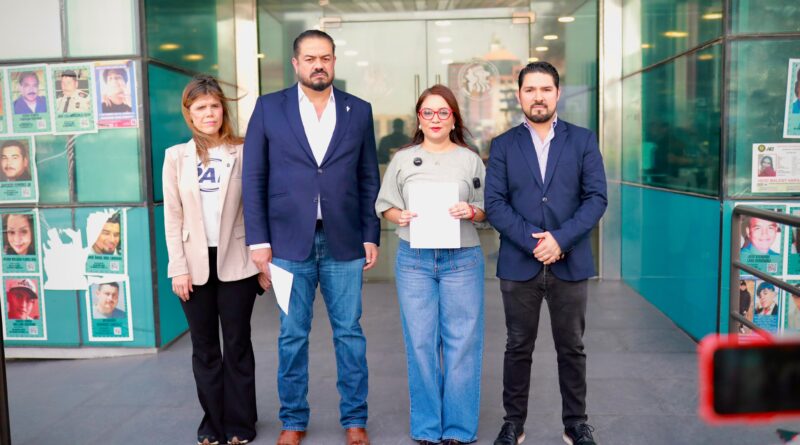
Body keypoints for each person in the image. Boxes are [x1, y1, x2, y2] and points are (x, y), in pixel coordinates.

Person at [242, 29, 380, 445]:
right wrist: (258, 241)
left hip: (345, 240)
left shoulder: (359, 110)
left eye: (325, 58)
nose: (319, 65)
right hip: (287, 243)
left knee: (349, 334)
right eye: (310, 58)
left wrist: (371, 234)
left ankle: (355, 418)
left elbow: (368, 176)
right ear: (296, 63)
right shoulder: (269, 108)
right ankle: (293, 420)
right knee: (292, 336)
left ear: (334, 61)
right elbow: (254, 177)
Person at [485, 61, 607, 445]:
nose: (538, 97)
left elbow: (596, 198)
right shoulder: (503, 145)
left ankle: (576, 424)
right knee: (517, 347)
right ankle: (513, 424)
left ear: (557, 93)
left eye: (545, 89)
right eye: (530, 89)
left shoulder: (582, 140)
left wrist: (560, 240)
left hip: (570, 262)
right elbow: (495, 203)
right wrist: (536, 242)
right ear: (519, 95)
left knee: (572, 348)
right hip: (519, 264)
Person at [375, 85, 486, 445]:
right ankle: (426, 428)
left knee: (462, 344)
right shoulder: (403, 159)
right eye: (428, 112)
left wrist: (471, 211)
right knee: (421, 345)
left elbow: (486, 208)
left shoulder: (470, 160)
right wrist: (401, 215)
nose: (435, 119)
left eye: (443, 112)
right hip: (415, 260)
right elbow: (385, 204)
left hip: (462, 260)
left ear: (454, 119)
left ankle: (458, 430)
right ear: (419, 119)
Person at [163, 74, 265, 445]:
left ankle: (241, 422)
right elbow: (173, 215)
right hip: (193, 264)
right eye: (201, 108)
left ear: (223, 110)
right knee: (204, 347)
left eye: (214, 106)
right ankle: (213, 422)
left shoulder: (244, 150)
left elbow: (258, 206)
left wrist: (263, 262)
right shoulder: (176, 156)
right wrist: (178, 267)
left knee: (237, 344)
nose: (209, 114)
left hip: (237, 261)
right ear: (189, 113)